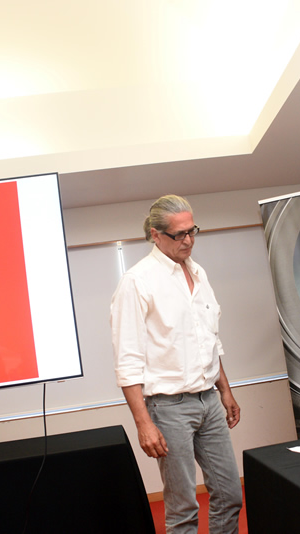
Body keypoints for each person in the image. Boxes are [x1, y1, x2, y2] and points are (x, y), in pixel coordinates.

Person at [110, 194, 243, 534]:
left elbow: (208, 340)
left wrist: (225, 391)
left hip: (208, 399)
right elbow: (127, 360)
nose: (188, 240)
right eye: (179, 234)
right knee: (183, 508)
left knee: (230, 495)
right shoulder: (138, 281)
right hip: (168, 408)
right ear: (155, 235)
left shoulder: (199, 273)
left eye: (192, 231)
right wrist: (143, 423)